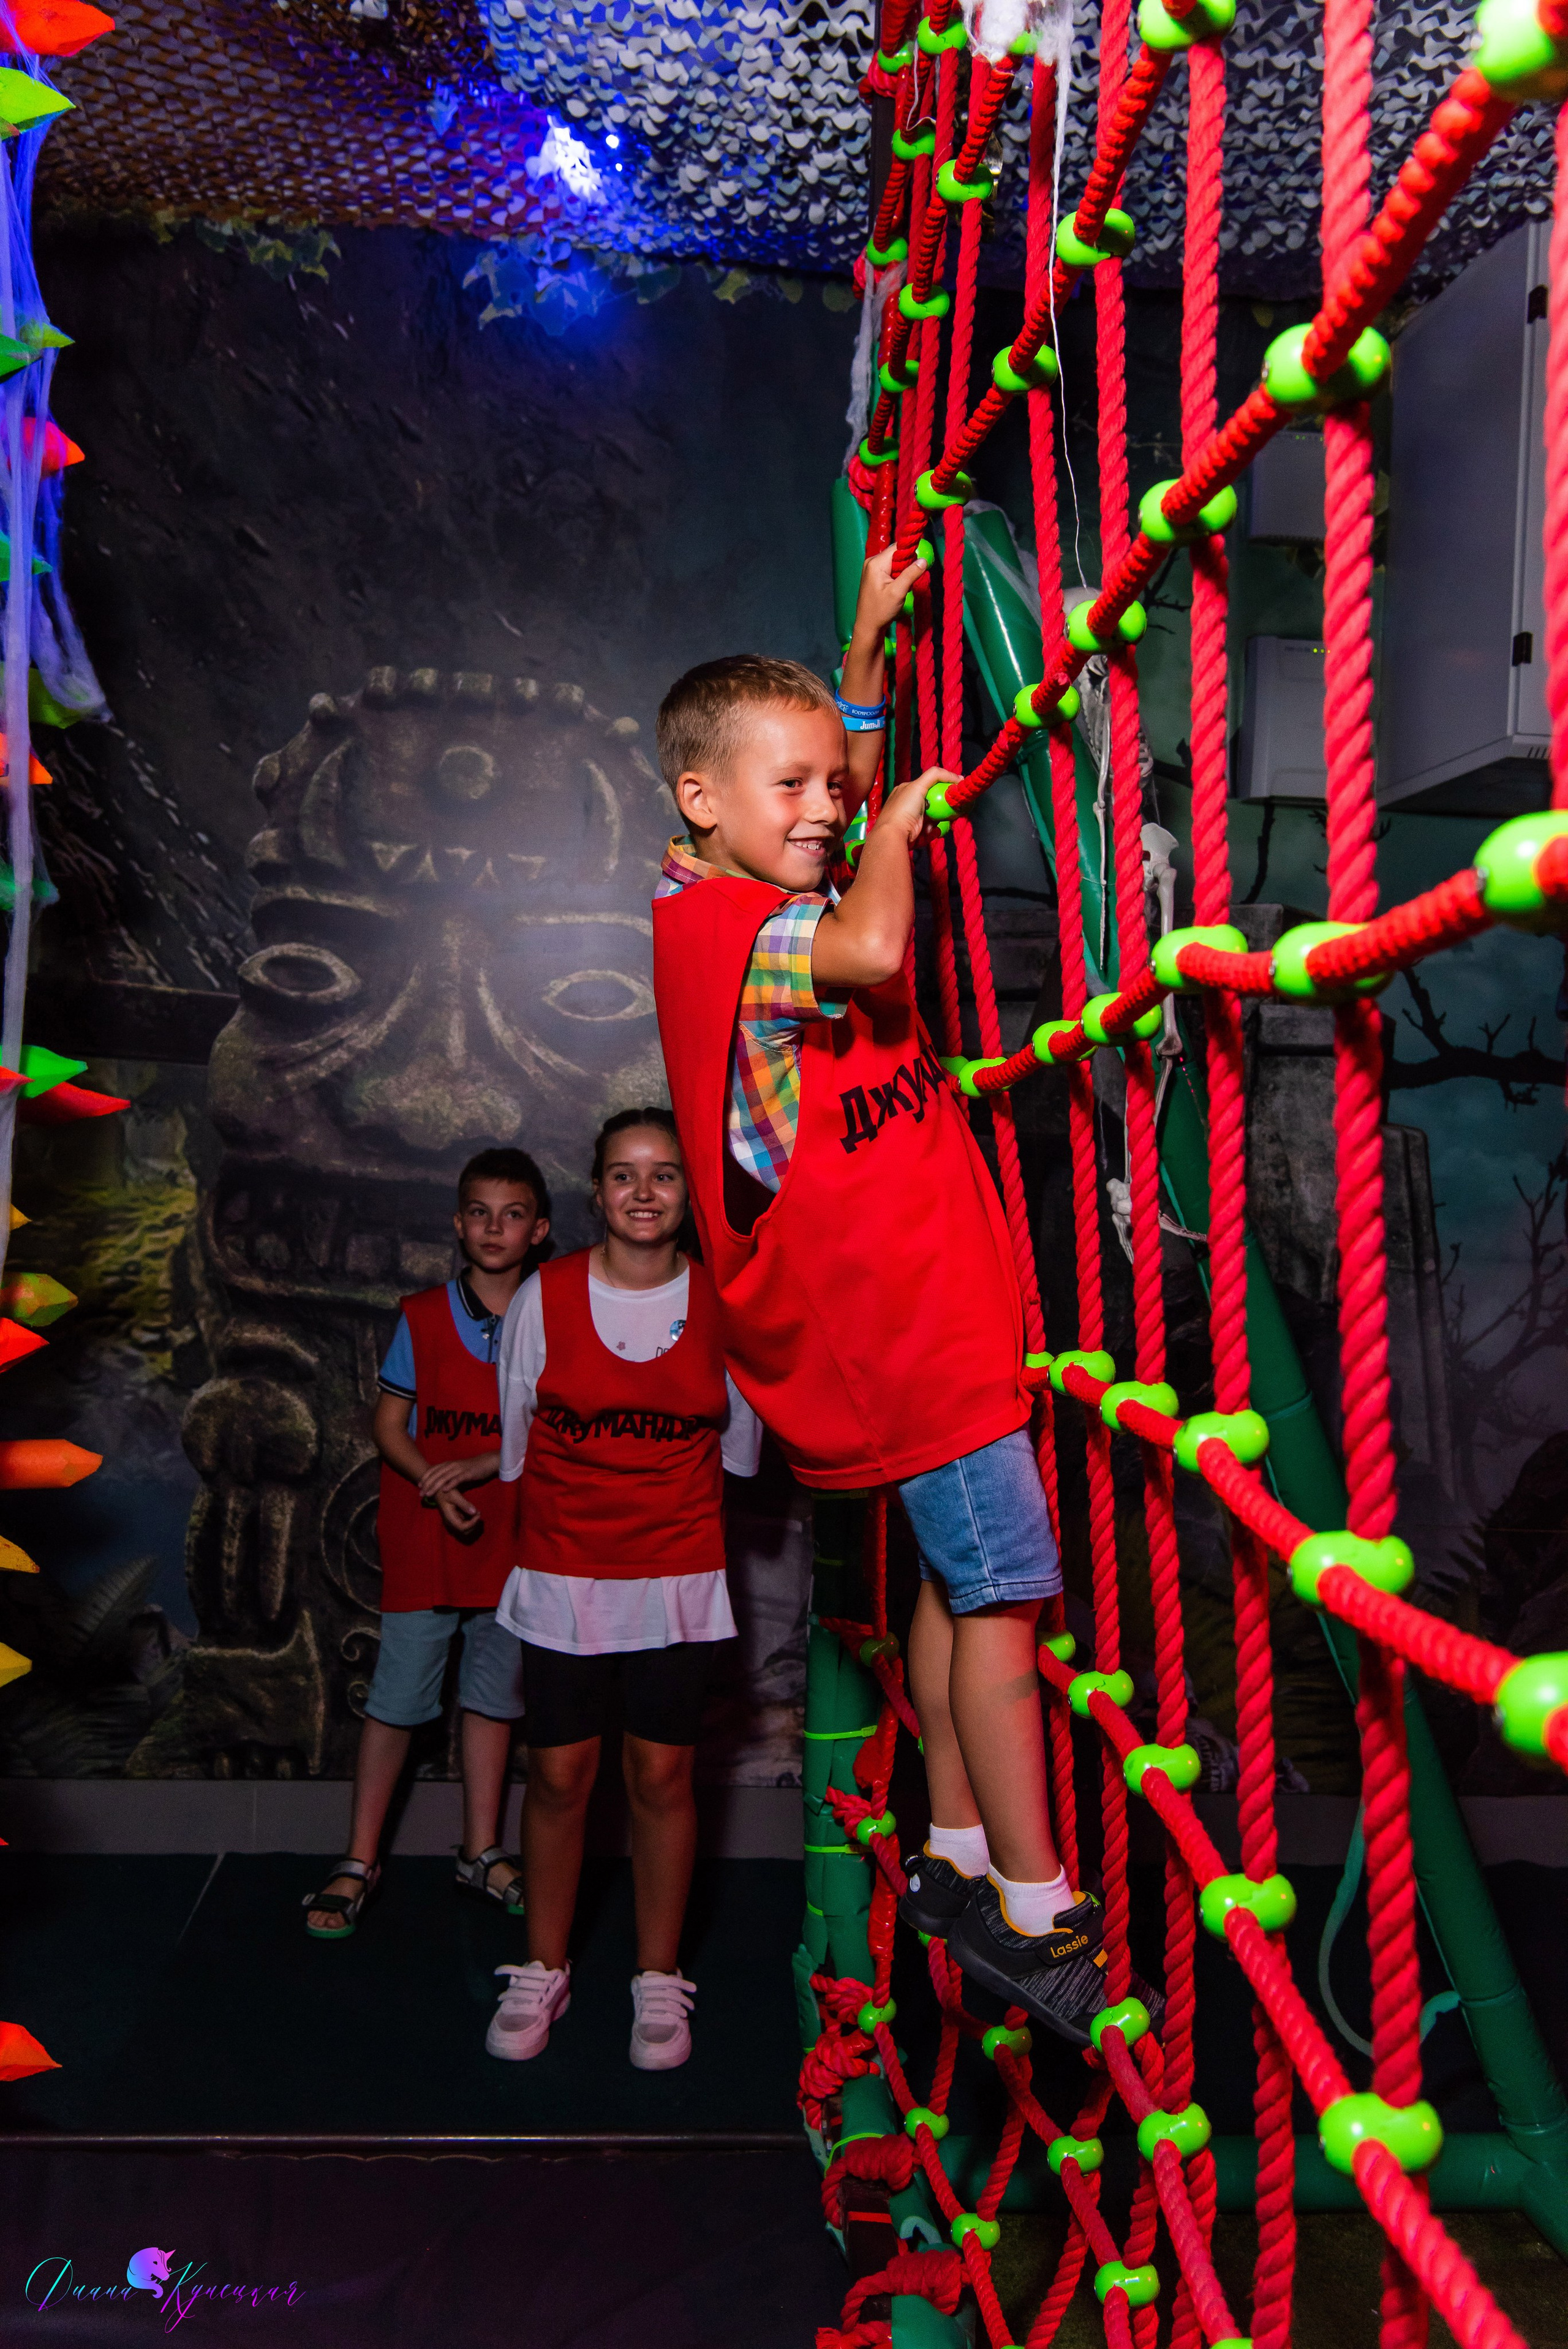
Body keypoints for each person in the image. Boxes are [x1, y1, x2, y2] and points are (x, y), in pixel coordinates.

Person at [648, 546, 1121, 2046]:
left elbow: (819, 821)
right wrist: (904, 822)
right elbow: (865, 934)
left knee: (940, 1582)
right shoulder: (745, 936)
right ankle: (1035, 1911)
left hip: (912, 1340)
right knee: (1001, 1601)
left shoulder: (726, 899)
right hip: (899, 1351)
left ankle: (953, 1849)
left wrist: (858, 660)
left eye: (828, 788)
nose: (825, 809)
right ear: (698, 803)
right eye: (784, 790)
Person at [482, 1107, 762, 2069]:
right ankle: (542, 1967)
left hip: (675, 1578)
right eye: (624, 1175)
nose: (644, 1192)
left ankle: (656, 1976)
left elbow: (742, 1451)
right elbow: (517, 1441)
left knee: (661, 1776)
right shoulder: (542, 1298)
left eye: (666, 1175)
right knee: (561, 1774)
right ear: (595, 1192)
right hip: (564, 1574)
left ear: (689, 1195)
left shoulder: (728, 1303)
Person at [302, 1149, 549, 1940]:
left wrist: (477, 1467)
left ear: (539, 1230)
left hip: (512, 1541)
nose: (494, 1228)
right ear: (457, 1223)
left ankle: (481, 1849)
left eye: (513, 1214)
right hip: (425, 1540)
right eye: (479, 1212)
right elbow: (387, 1426)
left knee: (491, 1700)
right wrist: (437, 1485)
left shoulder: (555, 1319)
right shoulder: (420, 1315)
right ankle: (358, 1859)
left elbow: (548, 1431)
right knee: (397, 1703)